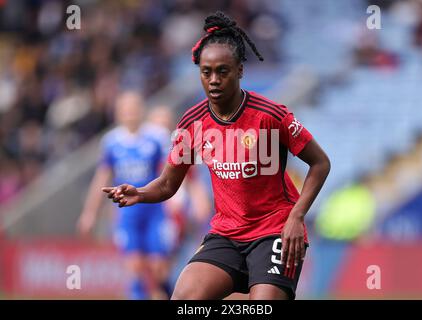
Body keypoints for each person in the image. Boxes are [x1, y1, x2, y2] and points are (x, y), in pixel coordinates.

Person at [102, 11, 330, 300]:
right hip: (226, 235)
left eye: (223, 71)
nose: (213, 80)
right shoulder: (192, 122)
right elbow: (168, 184)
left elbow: (320, 163)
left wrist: (297, 216)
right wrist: (140, 192)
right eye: (206, 72)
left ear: (240, 71)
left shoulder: (271, 115)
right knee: (185, 299)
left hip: (275, 231)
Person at [77, 91, 179, 300]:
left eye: (134, 107)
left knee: (159, 268)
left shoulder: (157, 136)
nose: (130, 112)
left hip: (155, 213)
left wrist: (179, 197)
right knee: (135, 268)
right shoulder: (112, 142)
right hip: (127, 215)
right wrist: (90, 213)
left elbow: (172, 170)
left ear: (142, 109)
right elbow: (102, 178)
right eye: (126, 108)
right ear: (118, 113)